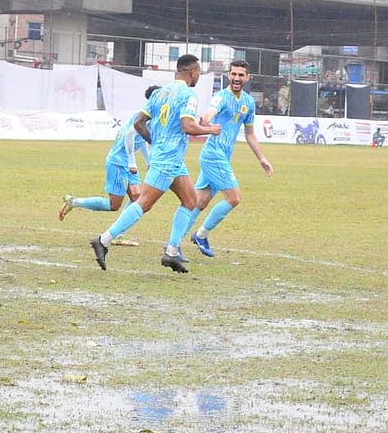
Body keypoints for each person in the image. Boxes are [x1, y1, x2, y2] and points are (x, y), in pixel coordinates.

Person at [90, 54, 220, 274]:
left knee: (190, 201)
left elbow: (139, 122)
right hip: (167, 160)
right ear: (192, 72)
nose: (198, 76)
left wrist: (156, 143)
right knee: (144, 203)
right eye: (198, 72)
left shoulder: (160, 93)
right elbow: (188, 126)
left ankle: (171, 252)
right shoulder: (189, 94)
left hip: (171, 159)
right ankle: (103, 240)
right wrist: (211, 130)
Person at [185, 59, 273, 258]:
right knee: (234, 198)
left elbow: (250, 134)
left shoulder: (248, 103)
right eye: (233, 74)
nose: (236, 78)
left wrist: (261, 158)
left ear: (247, 77)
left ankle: (173, 243)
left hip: (222, 155)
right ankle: (201, 235)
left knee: (199, 201)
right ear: (228, 75)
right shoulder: (221, 97)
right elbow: (210, 113)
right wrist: (202, 121)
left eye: (241, 75)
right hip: (213, 154)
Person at [58, 85, 160, 246]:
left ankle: (118, 234)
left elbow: (140, 141)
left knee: (137, 198)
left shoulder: (150, 115)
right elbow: (128, 136)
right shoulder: (143, 115)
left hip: (126, 162)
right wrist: (132, 162)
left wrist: (148, 162)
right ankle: (74, 202)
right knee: (114, 205)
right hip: (118, 162)